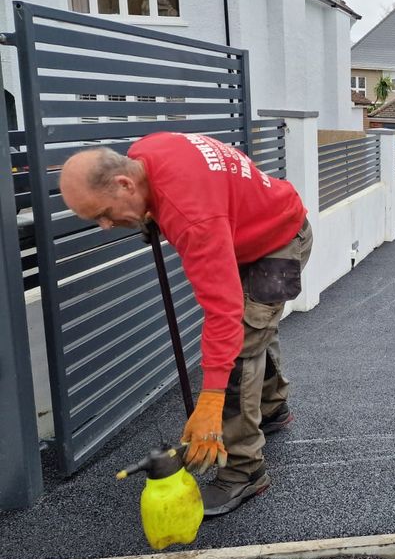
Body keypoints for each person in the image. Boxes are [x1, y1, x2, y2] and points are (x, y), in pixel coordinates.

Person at [59, 132, 312, 517]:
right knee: (255, 329)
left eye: (103, 213)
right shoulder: (145, 152)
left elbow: (223, 313)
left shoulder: (194, 218)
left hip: (278, 241)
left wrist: (210, 400)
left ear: (124, 183)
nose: (106, 225)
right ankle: (272, 409)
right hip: (250, 228)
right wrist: (152, 210)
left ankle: (244, 470)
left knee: (242, 345)